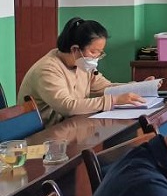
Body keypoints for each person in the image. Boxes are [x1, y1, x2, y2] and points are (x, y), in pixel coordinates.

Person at [16, 17, 147, 127]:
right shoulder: (48, 69)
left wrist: (140, 87)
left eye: (100, 52)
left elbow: (106, 88)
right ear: (75, 49)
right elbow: (68, 106)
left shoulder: (82, 65)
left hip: (69, 126)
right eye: (93, 52)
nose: (97, 57)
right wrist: (114, 100)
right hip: (42, 135)